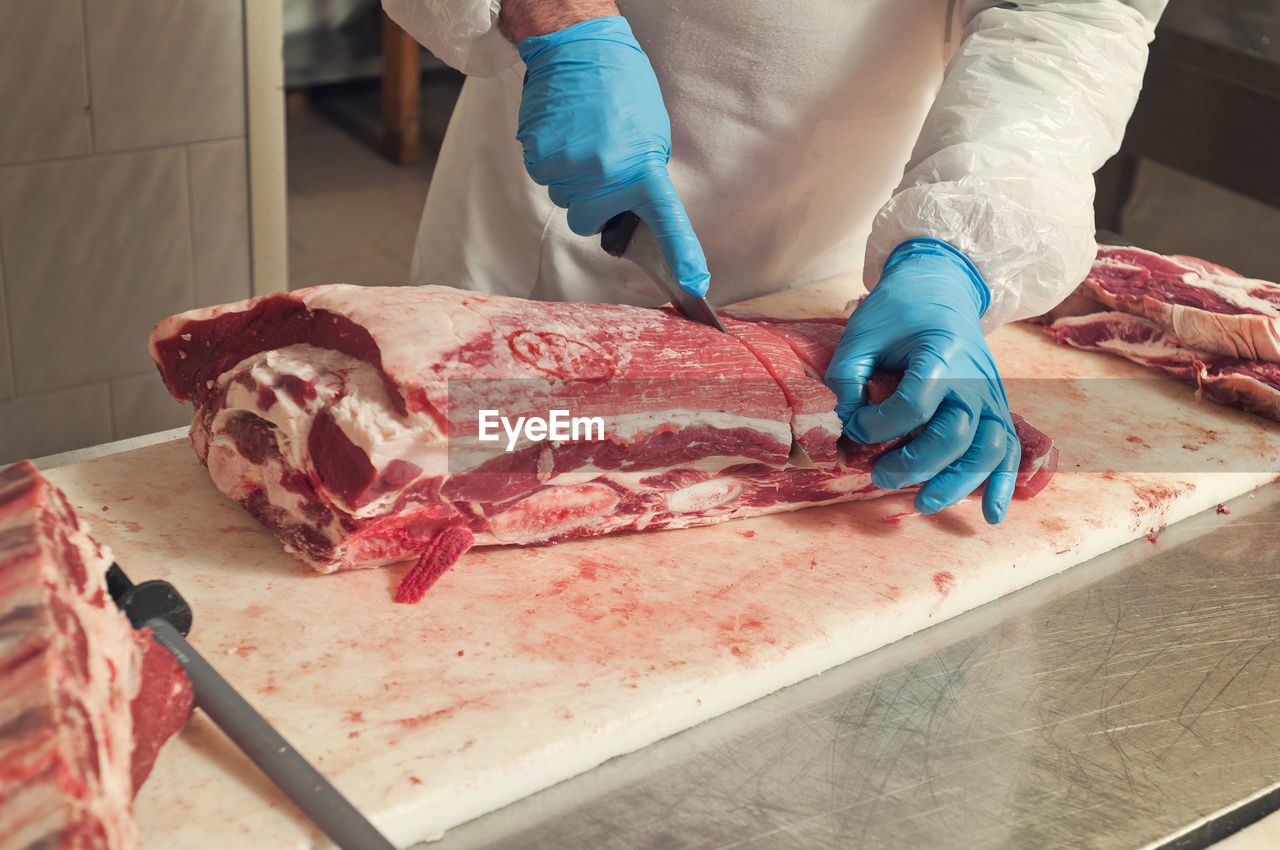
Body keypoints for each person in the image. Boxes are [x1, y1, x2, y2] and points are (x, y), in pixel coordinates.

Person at [381, 0, 1167, 523]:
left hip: (824, 238)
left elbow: (1068, 19)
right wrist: (555, 17)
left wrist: (958, 244)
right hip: (551, 201)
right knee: (465, 483)